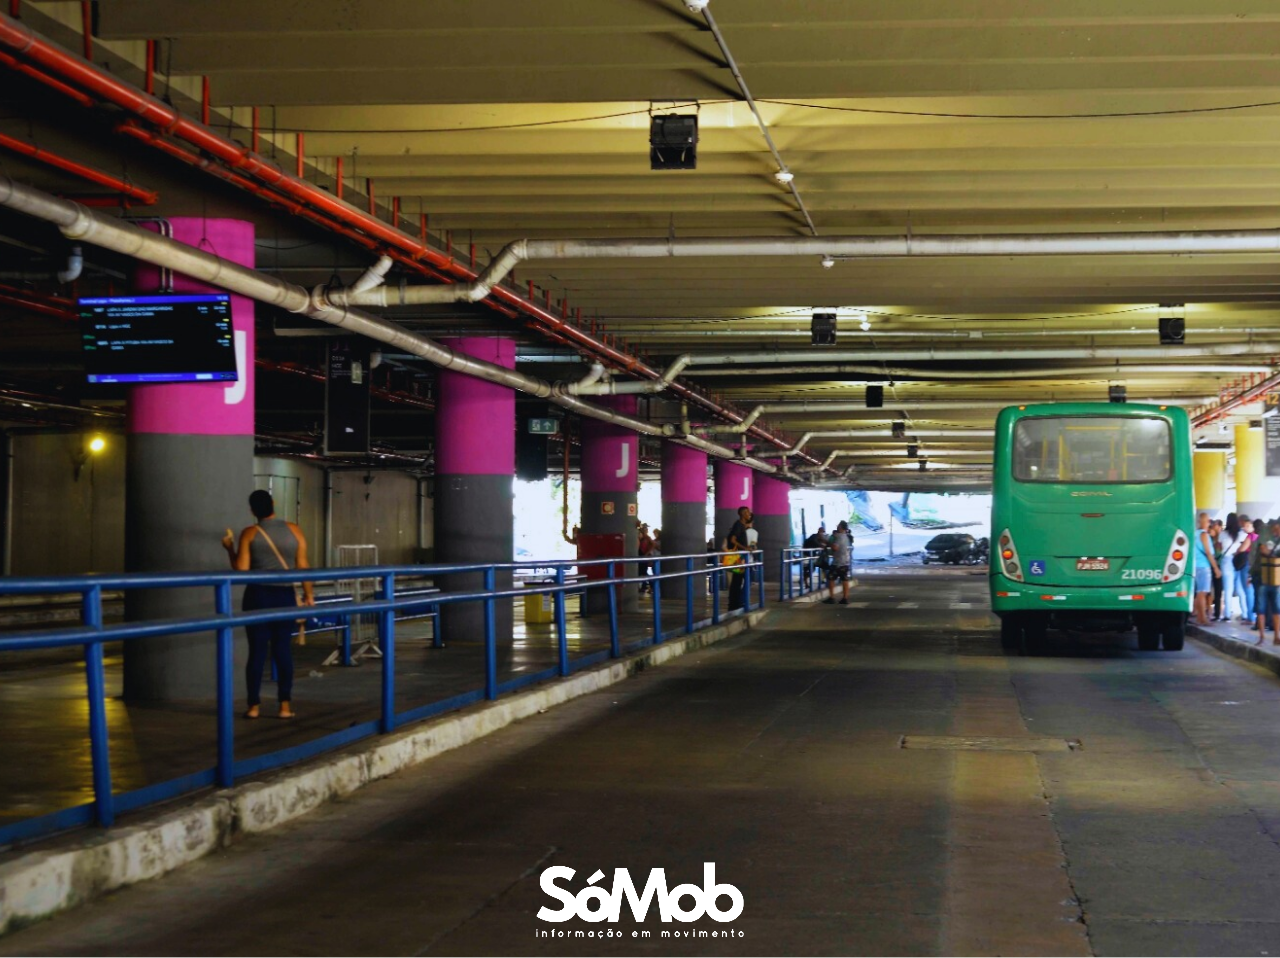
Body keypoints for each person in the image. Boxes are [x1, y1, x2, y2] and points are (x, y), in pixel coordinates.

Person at [222, 490, 314, 720]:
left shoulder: (250, 533)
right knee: (283, 651)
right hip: (285, 596)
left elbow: (241, 570)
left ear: (252, 510)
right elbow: (303, 565)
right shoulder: (294, 530)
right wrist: (308, 595)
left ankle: (254, 707)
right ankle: (284, 707)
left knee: (257, 652)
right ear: (273, 503)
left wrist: (230, 549)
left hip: (258, 596)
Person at [1220, 512, 1248, 622]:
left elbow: (1219, 547)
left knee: (1228, 589)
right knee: (1240, 589)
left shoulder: (1223, 534)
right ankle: (1245, 614)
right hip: (1238, 561)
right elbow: (1247, 544)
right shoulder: (1242, 534)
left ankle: (1227, 614)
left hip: (1226, 561)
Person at [1192, 511, 1219, 627]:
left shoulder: (1194, 534)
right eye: (1208, 521)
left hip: (1196, 565)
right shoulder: (1204, 535)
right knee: (1202, 593)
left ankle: (1199, 617)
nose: (1209, 523)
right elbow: (1208, 553)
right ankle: (1203, 618)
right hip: (1203, 566)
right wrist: (1216, 568)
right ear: (1204, 522)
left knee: (1199, 593)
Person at [724, 505, 752, 611]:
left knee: (739, 580)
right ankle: (734, 604)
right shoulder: (738, 525)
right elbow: (733, 540)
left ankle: (736, 603)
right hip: (738, 557)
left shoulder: (742, 525)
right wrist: (745, 548)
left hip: (741, 557)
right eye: (747, 512)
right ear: (743, 514)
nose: (749, 514)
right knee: (737, 580)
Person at [1256, 518, 1280, 645]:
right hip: (1262, 575)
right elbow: (1263, 549)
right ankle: (1261, 637)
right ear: (1276, 526)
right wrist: (1274, 555)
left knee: (1277, 608)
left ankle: (1277, 637)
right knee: (1261, 607)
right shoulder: (1265, 532)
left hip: (1276, 578)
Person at [823, 520, 854, 605]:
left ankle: (832, 597)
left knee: (831, 578)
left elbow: (835, 548)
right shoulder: (846, 536)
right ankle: (845, 598)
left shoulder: (839, 537)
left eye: (838, 525)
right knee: (844, 579)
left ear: (840, 527)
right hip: (845, 561)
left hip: (838, 562)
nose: (837, 526)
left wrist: (828, 543)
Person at [1236, 517, 1257, 623]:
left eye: (1248, 526)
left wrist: (1237, 550)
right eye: (1245, 526)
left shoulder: (1250, 537)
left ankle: (1250, 617)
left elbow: (1241, 549)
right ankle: (1252, 615)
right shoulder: (1258, 537)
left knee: (1248, 591)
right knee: (1251, 591)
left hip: (1247, 565)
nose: (1245, 528)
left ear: (1253, 526)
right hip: (1254, 565)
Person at [1209, 518, 1225, 620]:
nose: (1213, 527)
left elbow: (1218, 551)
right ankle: (1215, 612)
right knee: (1214, 589)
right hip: (1213, 564)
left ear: (1219, 526)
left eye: (1215, 525)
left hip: (1219, 565)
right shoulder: (1211, 538)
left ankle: (1218, 613)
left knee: (1218, 590)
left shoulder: (1222, 538)